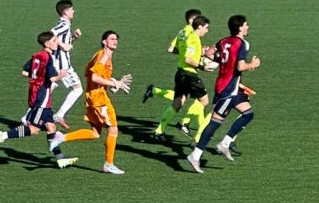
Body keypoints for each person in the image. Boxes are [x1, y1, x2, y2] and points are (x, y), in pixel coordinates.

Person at [0, 31, 78, 169]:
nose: (56, 43)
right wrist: (61, 75)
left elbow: (24, 71)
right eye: (54, 41)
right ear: (47, 43)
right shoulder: (48, 58)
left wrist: (38, 78)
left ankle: (60, 159)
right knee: (35, 129)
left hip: (37, 93)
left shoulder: (37, 55)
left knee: (51, 127)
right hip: (41, 97)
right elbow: (52, 79)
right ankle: (3, 135)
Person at [187, 15, 261, 174]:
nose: (248, 27)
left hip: (229, 87)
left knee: (248, 113)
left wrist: (225, 63)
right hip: (227, 90)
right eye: (246, 25)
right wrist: (252, 65)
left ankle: (225, 143)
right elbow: (240, 66)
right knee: (214, 124)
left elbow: (208, 53)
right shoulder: (243, 43)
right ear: (240, 27)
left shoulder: (223, 41)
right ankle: (195, 155)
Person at [60, 31, 133, 175]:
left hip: (95, 96)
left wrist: (113, 83)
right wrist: (114, 84)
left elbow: (91, 73)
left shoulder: (100, 55)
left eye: (116, 39)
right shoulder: (104, 56)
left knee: (95, 133)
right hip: (99, 99)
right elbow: (94, 77)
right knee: (113, 129)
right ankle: (108, 164)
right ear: (104, 42)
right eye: (111, 39)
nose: (115, 41)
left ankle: (61, 137)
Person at [145, 14, 212, 142]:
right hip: (189, 75)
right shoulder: (193, 38)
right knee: (204, 101)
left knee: (178, 102)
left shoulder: (185, 34)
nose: (207, 31)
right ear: (199, 26)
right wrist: (201, 66)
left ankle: (159, 131)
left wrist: (200, 53)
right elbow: (188, 58)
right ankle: (185, 124)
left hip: (180, 73)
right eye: (206, 28)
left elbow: (178, 50)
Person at [49, 0, 85, 129]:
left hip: (57, 63)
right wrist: (64, 45)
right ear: (65, 12)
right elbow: (52, 33)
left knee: (48, 89)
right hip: (63, 65)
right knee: (78, 89)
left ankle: (28, 116)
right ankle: (59, 115)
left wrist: (73, 37)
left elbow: (64, 42)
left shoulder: (65, 24)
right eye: (71, 9)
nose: (73, 11)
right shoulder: (64, 24)